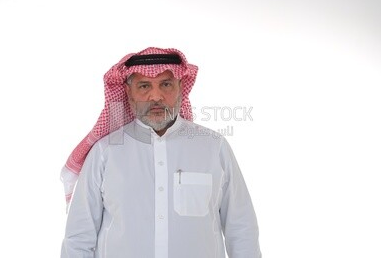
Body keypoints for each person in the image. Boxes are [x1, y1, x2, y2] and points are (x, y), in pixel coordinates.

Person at [60, 47, 262, 258]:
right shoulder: (104, 152)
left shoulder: (213, 147)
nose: (156, 96)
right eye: (144, 86)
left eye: (165, 84)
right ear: (128, 92)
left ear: (181, 87)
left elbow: (241, 230)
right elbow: (79, 237)